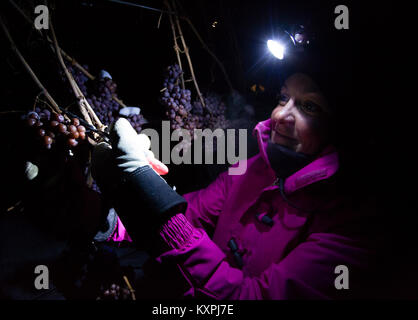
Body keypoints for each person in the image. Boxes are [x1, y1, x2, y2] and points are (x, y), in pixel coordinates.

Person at [92, 73, 376, 300]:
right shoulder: (252, 169)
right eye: (283, 98)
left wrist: (143, 180)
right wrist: (116, 218)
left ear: (338, 126)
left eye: (308, 106)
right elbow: (191, 213)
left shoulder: (351, 224)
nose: (279, 116)